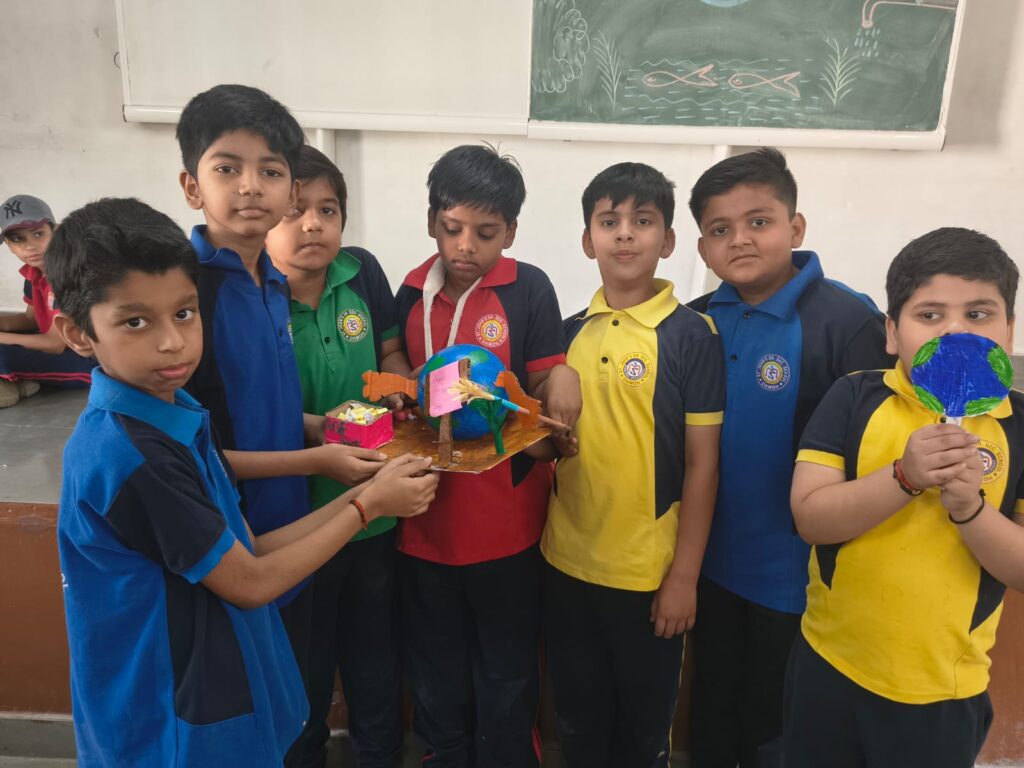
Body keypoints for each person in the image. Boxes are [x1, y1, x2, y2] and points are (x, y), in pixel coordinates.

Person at [46, 197, 437, 767]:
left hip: (215, 699)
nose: (172, 342)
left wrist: (363, 492)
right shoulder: (130, 455)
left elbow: (247, 547)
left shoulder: (176, 411)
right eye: (135, 322)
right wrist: (366, 508)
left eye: (185, 313)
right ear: (78, 334)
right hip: (167, 727)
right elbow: (251, 582)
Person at [175, 87, 390, 754]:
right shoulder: (186, 294)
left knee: (299, 694)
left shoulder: (268, 282)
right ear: (192, 185)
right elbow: (195, 453)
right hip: (234, 545)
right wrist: (319, 458)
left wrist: (320, 428)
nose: (250, 186)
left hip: (291, 529)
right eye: (227, 167)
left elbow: (258, 410)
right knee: (267, 714)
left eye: (269, 171)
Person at [685, 147, 893, 767]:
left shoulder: (847, 320)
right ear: (702, 249)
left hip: (798, 576)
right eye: (720, 229)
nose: (740, 240)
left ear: (795, 227)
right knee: (711, 706)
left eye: (759, 221)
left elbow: (872, 451)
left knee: (775, 722)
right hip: (706, 562)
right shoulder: (693, 322)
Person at [785, 227, 1022, 768]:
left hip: (944, 691)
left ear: (1009, 329)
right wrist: (903, 477)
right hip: (830, 665)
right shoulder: (853, 396)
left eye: (979, 314)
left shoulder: (1020, 425)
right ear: (892, 332)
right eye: (930, 314)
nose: (955, 330)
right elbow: (811, 518)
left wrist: (971, 510)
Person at [395, 144, 578, 767]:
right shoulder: (411, 290)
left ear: (512, 232)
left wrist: (565, 382)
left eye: (485, 232)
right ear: (431, 222)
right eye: (451, 228)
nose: (465, 246)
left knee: (507, 672)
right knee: (435, 672)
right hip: (423, 523)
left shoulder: (529, 288)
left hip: (508, 526)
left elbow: (548, 372)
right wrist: (405, 384)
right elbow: (395, 366)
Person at [541, 162, 724, 768]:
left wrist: (684, 577)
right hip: (565, 564)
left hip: (648, 575)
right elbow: (546, 445)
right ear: (587, 239)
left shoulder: (692, 335)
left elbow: (702, 466)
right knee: (578, 723)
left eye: (642, 221)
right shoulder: (564, 336)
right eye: (609, 221)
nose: (624, 233)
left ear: (667, 241)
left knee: (642, 735)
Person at [266, 145, 410, 768]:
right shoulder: (255, 297)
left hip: (376, 511)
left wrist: (399, 390)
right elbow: (253, 415)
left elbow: (391, 354)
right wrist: (324, 433)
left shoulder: (362, 273)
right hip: (298, 520)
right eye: (294, 211)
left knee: (376, 660)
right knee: (305, 669)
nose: (313, 225)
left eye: (328, 210)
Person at [0, 194, 93, 407]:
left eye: (38, 234)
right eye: (18, 239)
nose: (30, 246)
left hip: (84, 359)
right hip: (56, 343)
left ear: (56, 231)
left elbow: (55, 343)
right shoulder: (33, 272)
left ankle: (15, 383)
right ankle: (22, 384)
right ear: (8, 245)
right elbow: (31, 320)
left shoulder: (69, 273)